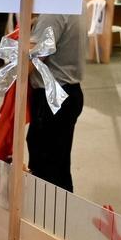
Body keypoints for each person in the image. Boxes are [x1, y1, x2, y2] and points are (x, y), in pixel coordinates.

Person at [27, 14, 86, 192]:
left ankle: (49, 218)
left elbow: (28, 63)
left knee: (45, 169)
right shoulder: (75, 1)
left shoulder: (52, 12)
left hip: (52, 96)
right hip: (68, 92)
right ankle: (61, 216)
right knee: (58, 165)